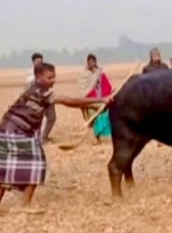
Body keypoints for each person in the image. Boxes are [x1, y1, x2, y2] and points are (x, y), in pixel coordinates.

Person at [0, 63, 111, 210]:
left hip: (12, 130)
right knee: (33, 165)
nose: (53, 80)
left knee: (8, 168)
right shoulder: (42, 93)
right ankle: (25, 205)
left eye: (54, 77)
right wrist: (100, 99)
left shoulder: (35, 88)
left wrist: (101, 102)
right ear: (38, 77)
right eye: (49, 77)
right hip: (14, 131)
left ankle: (24, 205)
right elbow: (71, 102)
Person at [79, 54, 113, 141]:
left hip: (102, 101)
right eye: (90, 62)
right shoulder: (84, 75)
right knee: (94, 119)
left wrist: (98, 75)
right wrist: (94, 78)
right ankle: (95, 137)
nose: (92, 64)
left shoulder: (100, 74)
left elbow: (107, 87)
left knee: (103, 118)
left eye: (93, 61)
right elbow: (84, 90)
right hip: (91, 102)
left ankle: (103, 136)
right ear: (87, 63)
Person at [25, 53, 57, 143]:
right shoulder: (30, 74)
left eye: (41, 61)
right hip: (36, 100)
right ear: (33, 62)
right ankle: (37, 138)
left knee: (52, 117)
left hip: (47, 97)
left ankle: (44, 136)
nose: (40, 63)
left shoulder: (46, 71)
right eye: (37, 61)